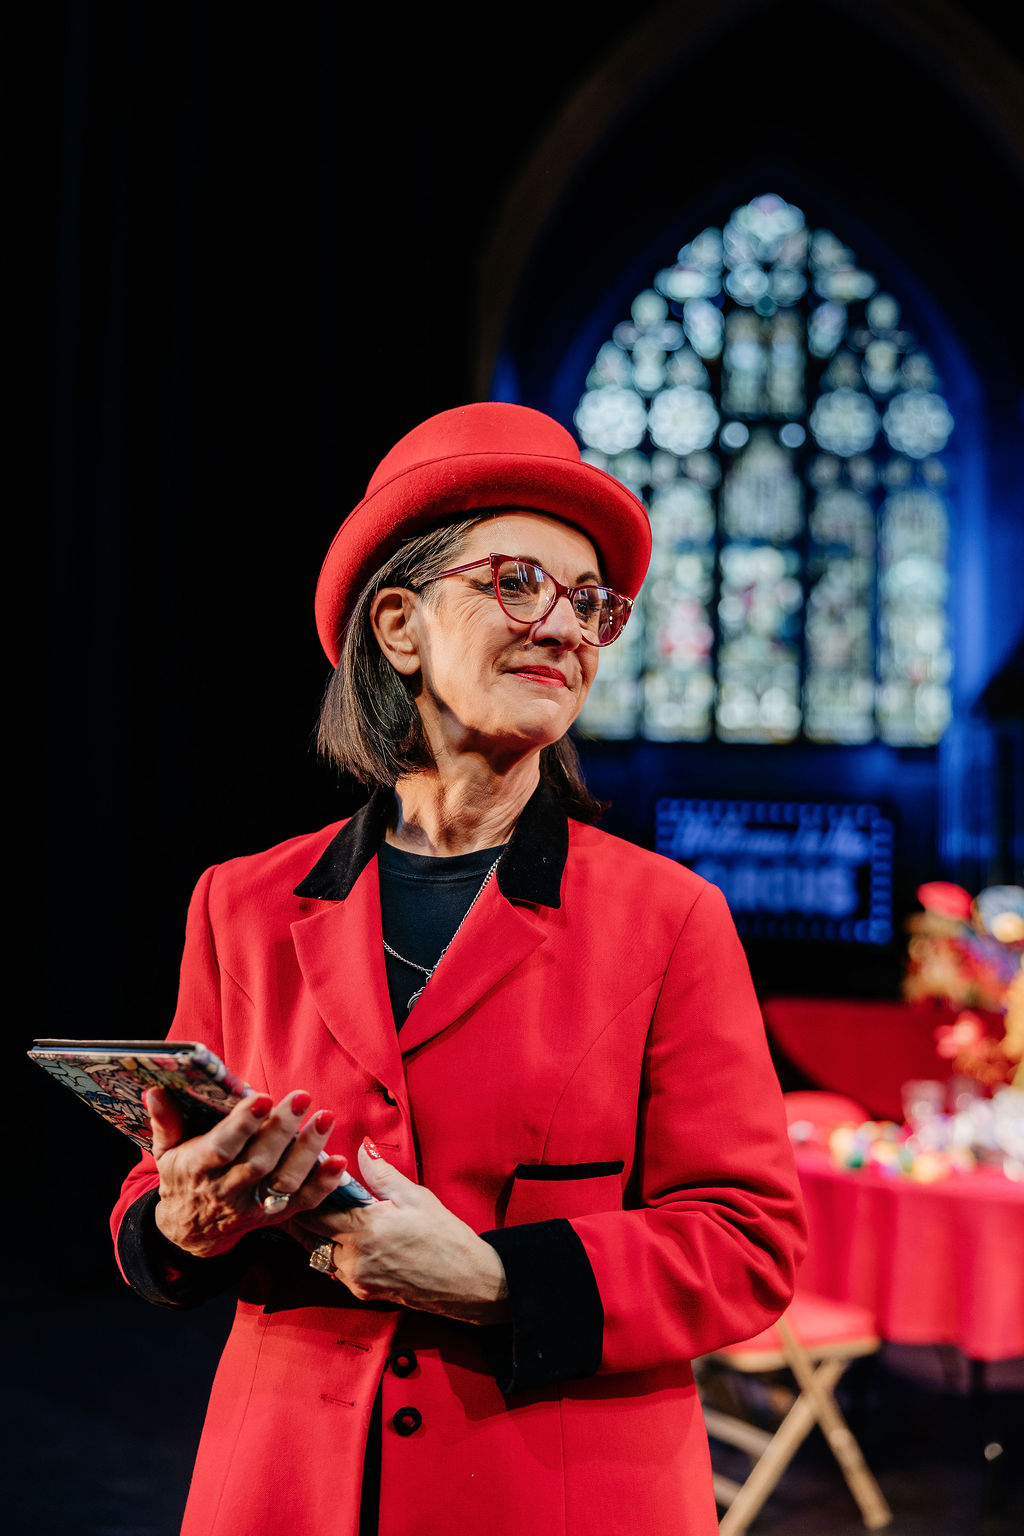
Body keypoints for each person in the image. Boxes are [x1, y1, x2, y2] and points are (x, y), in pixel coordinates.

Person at [111, 402, 806, 1536]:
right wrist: (181, 1221)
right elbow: (159, 1187)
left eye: (591, 603)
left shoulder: (671, 917)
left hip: (561, 1492)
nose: (566, 627)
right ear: (398, 623)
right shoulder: (237, 904)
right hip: (289, 1482)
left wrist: (495, 1278)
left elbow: (747, 1241)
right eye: (519, 582)